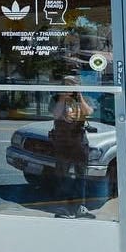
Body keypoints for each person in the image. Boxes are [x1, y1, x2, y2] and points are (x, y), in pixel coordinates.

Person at [50, 76, 95, 219]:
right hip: (62, 140)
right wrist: (63, 98)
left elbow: (88, 112)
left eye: (72, 86)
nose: (70, 89)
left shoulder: (83, 98)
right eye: (66, 85)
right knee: (62, 174)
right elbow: (56, 114)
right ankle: (62, 206)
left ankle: (80, 206)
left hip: (79, 140)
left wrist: (80, 96)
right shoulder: (56, 98)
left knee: (81, 174)